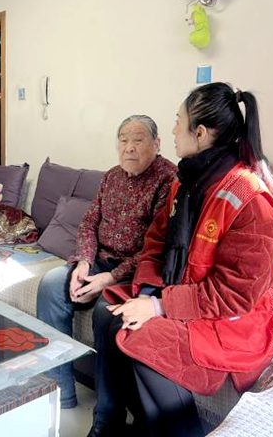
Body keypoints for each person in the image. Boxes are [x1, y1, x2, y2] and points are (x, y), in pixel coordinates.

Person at [88, 83, 273, 437]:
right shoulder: (186, 184)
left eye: (177, 122)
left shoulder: (253, 201)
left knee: (139, 333)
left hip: (234, 320)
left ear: (200, 133)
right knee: (108, 312)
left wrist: (158, 307)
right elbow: (156, 242)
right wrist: (147, 294)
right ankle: (113, 424)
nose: (172, 130)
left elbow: (235, 296)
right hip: (184, 293)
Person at [36, 115, 178, 409]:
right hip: (99, 262)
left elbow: (157, 247)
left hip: (135, 273)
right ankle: (60, 393)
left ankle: (108, 411)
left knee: (107, 309)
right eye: (123, 140)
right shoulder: (112, 176)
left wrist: (110, 278)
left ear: (157, 144)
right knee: (51, 285)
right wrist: (84, 264)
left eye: (138, 140)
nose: (129, 148)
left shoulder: (169, 180)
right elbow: (89, 223)